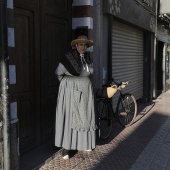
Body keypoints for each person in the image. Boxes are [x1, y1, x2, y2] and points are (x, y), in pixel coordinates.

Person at [54, 35, 96, 159]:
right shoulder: (68, 58)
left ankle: (84, 143)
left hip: (86, 92)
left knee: (85, 116)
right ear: (76, 46)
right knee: (70, 118)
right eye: (81, 45)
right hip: (71, 91)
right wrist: (66, 87)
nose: (83, 47)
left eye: (85, 45)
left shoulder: (88, 58)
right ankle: (66, 149)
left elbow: (89, 73)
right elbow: (58, 73)